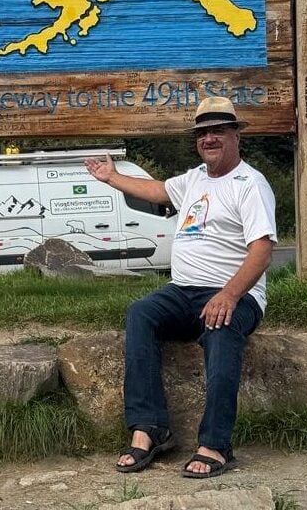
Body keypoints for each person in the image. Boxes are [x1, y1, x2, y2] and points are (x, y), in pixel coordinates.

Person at [85, 96, 276, 478]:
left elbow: (262, 252)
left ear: (235, 136)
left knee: (220, 328)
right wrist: (111, 177)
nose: (209, 139)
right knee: (141, 313)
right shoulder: (194, 179)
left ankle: (216, 446)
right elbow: (157, 191)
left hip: (234, 294)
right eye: (203, 133)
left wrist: (230, 294)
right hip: (183, 291)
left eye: (217, 131)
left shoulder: (249, 184)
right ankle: (149, 429)